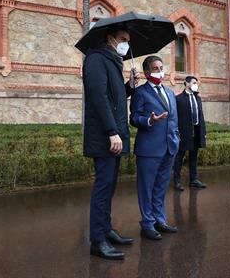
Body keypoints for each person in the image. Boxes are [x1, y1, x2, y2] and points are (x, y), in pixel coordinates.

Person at [82, 25, 139, 260]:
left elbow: (115, 97)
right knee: (103, 188)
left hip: (113, 136)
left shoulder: (113, 62)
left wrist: (129, 86)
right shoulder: (96, 59)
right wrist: (111, 131)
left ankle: (106, 230)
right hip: (106, 137)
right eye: (123, 39)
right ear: (110, 38)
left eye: (128, 40)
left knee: (110, 187)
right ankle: (98, 240)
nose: (126, 44)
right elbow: (98, 97)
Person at [130, 56, 180, 240]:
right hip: (149, 149)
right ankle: (147, 224)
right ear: (146, 73)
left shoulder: (169, 92)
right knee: (147, 187)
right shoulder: (140, 93)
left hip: (169, 148)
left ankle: (160, 220)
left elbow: (174, 119)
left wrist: (177, 138)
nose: (159, 70)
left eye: (161, 67)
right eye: (155, 68)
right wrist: (149, 120)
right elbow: (134, 118)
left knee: (160, 187)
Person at [173, 76, 207, 191]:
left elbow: (201, 116)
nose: (195, 85)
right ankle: (176, 181)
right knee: (179, 157)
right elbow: (175, 117)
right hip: (183, 133)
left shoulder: (198, 99)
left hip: (196, 131)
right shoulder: (178, 99)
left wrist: (203, 132)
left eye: (196, 83)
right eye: (193, 82)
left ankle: (194, 179)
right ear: (186, 83)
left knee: (194, 157)